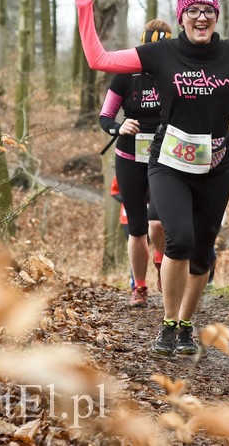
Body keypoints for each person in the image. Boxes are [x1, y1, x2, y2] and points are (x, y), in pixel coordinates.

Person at [75, 0, 229, 356]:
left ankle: (185, 325)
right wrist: (85, 9)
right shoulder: (160, 53)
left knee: (202, 253)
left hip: (216, 167)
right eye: (193, 11)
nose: (202, 17)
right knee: (178, 238)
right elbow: (99, 59)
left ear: (216, 17)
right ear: (181, 17)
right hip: (168, 162)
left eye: (209, 11)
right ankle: (168, 325)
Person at [99, 19, 172, 307]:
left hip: (165, 157)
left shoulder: (175, 73)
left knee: (157, 224)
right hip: (129, 157)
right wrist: (119, 127)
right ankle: (139, 287)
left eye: (161, 49)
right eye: (149, 48)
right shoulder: (125, 75)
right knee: (137, 228)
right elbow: (105, 116)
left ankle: (161, 263)